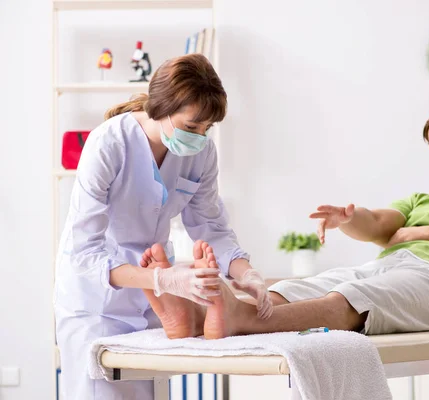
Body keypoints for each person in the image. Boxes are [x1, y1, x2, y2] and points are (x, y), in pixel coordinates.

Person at [141, 102, 429, 341]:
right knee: (302, 287)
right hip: (389, 266)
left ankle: (240, 320)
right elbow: (380, 226)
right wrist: (349, 219)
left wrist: (428, 232)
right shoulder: (424, 198)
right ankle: (194, 321)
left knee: (351, 301)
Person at [53, 53, 273, 400]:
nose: (200, 138)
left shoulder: (201, 152)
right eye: (191, 127)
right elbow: (84, 253)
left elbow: (210, 225)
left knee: (150, 393)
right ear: (160, 109)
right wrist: (163, 279)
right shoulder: (108, 144)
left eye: (207, 128)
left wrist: (246, 273)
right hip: (96, 305)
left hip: (156, 302)